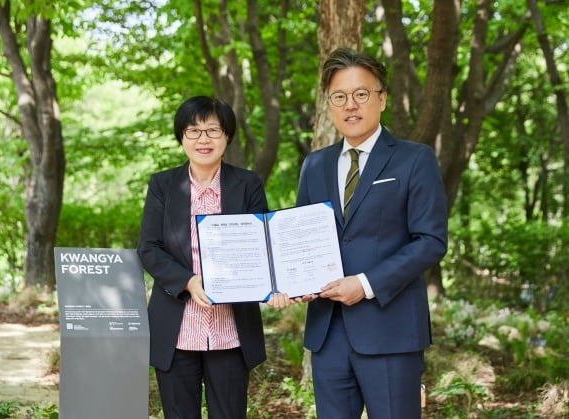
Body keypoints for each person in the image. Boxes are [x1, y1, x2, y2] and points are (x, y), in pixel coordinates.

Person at [296, 48, 448, 418]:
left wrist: (363, 284)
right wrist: (292, 278)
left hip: (391, 330)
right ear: (329, 104)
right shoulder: (314, 165)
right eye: (339, 96)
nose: (351, 105)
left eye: (361, 94)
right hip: (327, 335)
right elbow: (300, 239)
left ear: (382, 98)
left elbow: (430, 241)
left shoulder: (415, 159)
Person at [137, 96, 268, 419]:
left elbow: (262, 246)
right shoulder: (163, 185)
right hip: (177, 329)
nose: (203, 139)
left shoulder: (247, 184)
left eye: (212, 130)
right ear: (181, 137)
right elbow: (149, 248)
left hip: (232, 332)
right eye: (193, 131)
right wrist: (189, 281)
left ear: (227, 136)